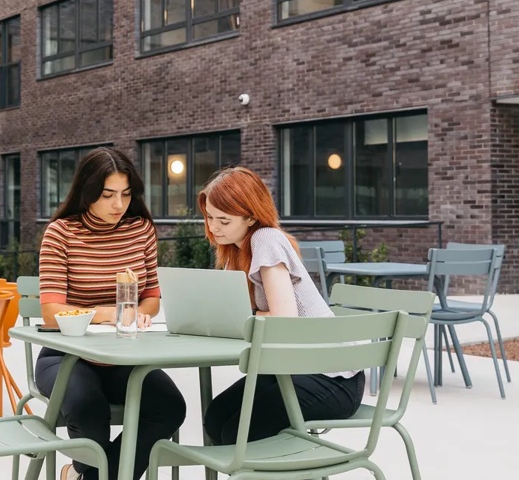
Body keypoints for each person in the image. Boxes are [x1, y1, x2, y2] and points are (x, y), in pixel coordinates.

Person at [36, 147, 186, 480]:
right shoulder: (61, 233)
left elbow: (151, 298)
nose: (119, 204)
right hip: (66, 357)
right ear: (87, 191)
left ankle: (81, 477)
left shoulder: (141, 230)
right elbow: (51, 312)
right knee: (89, 410)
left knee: (170, 407)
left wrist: (139, 314)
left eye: (126, 194)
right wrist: (107, 314)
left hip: (123, 358)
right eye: (107, 195)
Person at [197, 166, 365, 445]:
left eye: (224, 221)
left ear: (251, 216)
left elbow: (284, 319)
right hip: (293, 368)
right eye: (210, 217)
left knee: (236, 432)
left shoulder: (266, 239)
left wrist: (249, 314)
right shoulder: (235, 250)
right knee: (217, 417)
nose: (214, 228)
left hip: (332, 378)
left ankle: (289, 465)